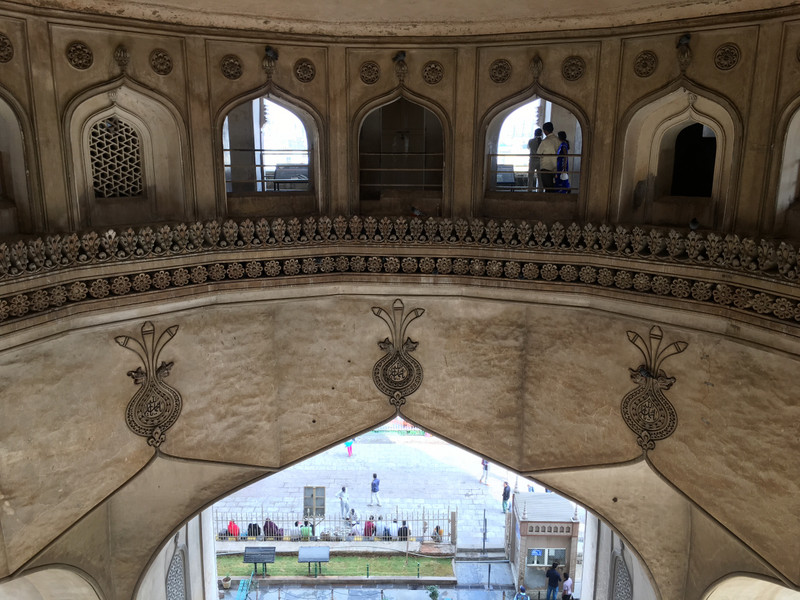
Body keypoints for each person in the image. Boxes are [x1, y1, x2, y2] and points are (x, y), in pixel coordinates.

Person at [535, 122, 559, 191]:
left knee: (548, 188)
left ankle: (549, 201)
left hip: (546, 167)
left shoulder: (545, 141)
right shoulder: (558, 140)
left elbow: (538, 153)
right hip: (556, 167)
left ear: (545, 131)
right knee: (555, 187)